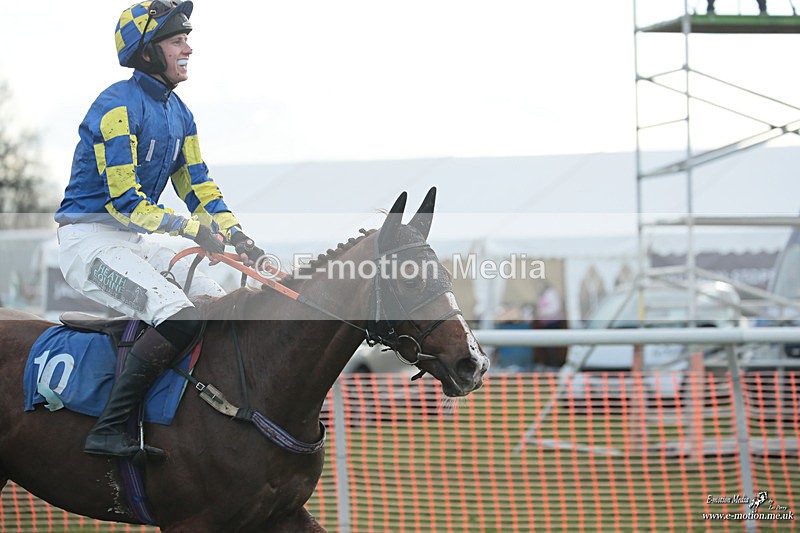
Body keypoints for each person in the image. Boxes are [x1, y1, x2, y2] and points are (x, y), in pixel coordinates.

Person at [55, 0, 264, 459]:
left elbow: (200, 187)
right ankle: (109, 429)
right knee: (180, 315)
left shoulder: (182, 115)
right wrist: (194, 231)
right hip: (87, 243)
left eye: (186, 37)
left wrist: (237, 234)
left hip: (134, 241)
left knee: (216, 302)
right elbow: (125, 202)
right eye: (177, 39)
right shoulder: (114, 106)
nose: (188, 47)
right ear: (147, 52)